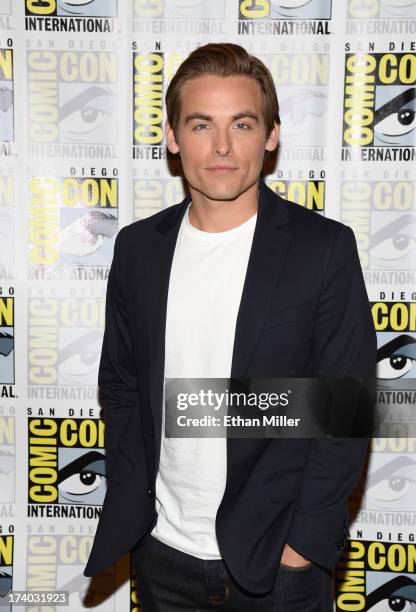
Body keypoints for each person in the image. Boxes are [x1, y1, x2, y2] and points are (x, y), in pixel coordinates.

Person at [84, 43, 377, 610]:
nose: (221, 146)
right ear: (172, 137)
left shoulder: (323, 249)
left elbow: (346, 409)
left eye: (241, 124)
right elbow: (120, 384)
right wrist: (139, 512)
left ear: (271, 136)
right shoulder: (138, 249)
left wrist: (303, 548)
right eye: (201, 125)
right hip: (162, 552)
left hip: (275, 565)